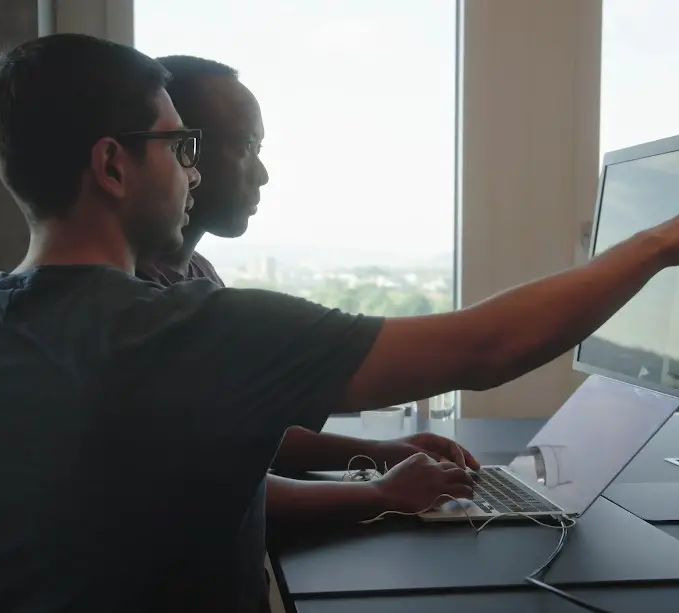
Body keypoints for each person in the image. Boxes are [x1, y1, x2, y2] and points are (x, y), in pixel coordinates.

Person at [0, 33, 679, 613]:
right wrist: (660, 242)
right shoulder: (191, 330)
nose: (194, 172)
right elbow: (487, 346)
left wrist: (377, 479)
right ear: (113, 165)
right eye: (180, 147)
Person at [134, 54, 478, 524]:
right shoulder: (139, 302)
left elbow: (242, 430)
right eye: (247, 146)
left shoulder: (196, 273)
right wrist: (381, 494)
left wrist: (379, 452)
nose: (262, 173)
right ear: (182, 149)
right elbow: (205, 483)